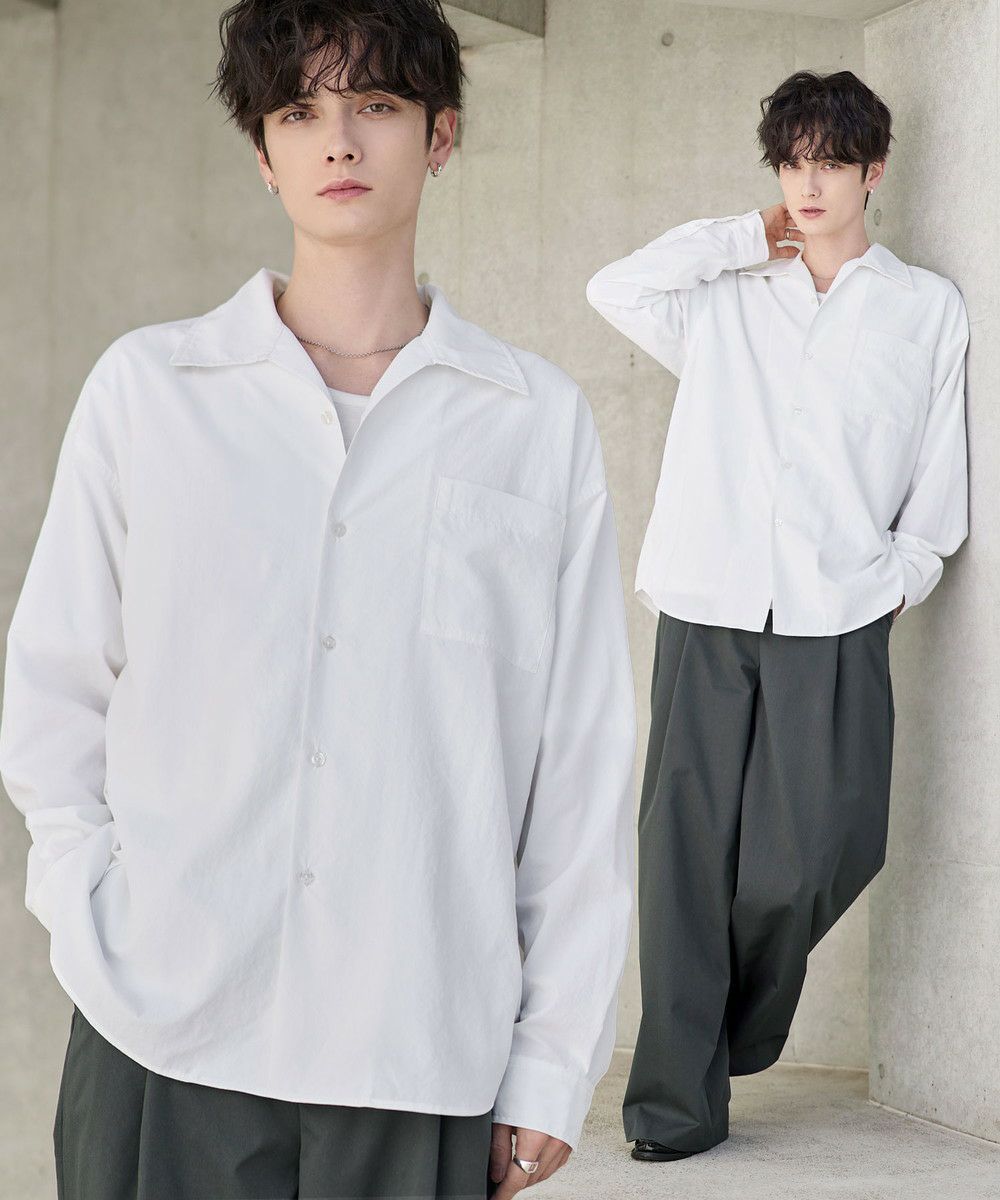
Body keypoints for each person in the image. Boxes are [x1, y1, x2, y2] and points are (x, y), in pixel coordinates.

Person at [0, 2, 636, 1196]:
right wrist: (89, 901)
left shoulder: (533, 422)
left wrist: (552, 1058)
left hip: (416, 1041)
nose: (338, 141)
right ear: (263, 151)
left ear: (440, 134)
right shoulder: (150, 391)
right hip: (164, 1027)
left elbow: (580, 762)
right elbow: (54, 686)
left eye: (375, 104)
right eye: (299, 112)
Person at [585, 69, 969, 1163]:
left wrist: (898, 575)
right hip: (707, 600)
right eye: (792, 163)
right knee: (684, 857)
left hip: (835, 609)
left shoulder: (923, 308)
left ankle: (729, 1027)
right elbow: (615, 288)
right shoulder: (727, 294)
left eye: (830, 163)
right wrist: (742, 235)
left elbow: (937, 470)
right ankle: (673, 1107)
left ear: (872, 170)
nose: (809, 183)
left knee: (813, 855)